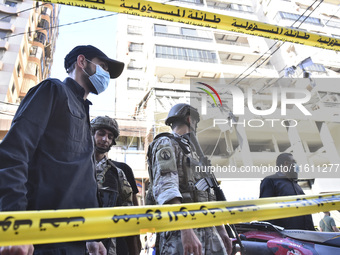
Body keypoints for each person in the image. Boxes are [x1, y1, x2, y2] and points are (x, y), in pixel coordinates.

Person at [0, 45, 124, 255]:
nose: (106, 75)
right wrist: (15, 227)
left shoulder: (85, 114)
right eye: (102, 66)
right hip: (40, 241)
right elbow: (13, 153)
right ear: (82, 62)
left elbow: (80, 180)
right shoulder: (53, 90)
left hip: (75, 242)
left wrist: (92, 236)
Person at [147, 103, 232, 255]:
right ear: (189, 119)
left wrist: (221, 229)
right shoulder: (166, 143)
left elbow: (210, 195)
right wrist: (186, 230)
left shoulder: (195, 154)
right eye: (196, 122)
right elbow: (166, 188)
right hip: (181, 231)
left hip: (208, 229)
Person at [91, 116, 140, 255]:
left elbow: (130, 212)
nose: (105, 139)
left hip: (111, 244)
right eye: (101, 133)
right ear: (91, 133)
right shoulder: (75, 167)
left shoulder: (118, 172)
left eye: (110, 136)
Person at [260, 153, 315, 230]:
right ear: (286, 163)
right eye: (294, 162)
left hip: (306, 234)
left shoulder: (295, 184)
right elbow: (265, 211)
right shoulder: (271, 181)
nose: (296, 165)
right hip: (286, 236)